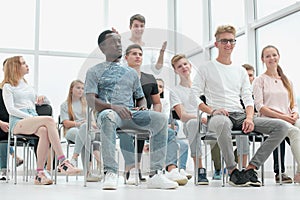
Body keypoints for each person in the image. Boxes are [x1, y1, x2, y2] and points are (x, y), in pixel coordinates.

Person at [189, 24, 300, 187]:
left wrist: (249, 117)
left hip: (240, 115)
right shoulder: (206, 68)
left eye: (231, 41)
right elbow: (194, 95)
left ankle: (250, 168)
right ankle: (233, 171)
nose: (228, 45)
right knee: (221, 123)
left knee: (282, 127)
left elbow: (248, 99)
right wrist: (211, 110)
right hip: (219, 115)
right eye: (224, 41)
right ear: (216, 43)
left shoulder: (239, 71)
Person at [84, 30, 178, 190]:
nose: (119, 45)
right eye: (114, 42)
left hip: (131, 113)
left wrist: (142, 105)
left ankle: (156, 174)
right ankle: (111, 172)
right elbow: (90, 99)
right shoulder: (94, 71)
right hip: (110, 113)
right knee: (108, 116)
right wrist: (113, 107)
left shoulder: (130, 72)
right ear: (102, 47)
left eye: (120, 41)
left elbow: (139, 96)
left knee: (160, 118)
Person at [2, 56, 81, 185]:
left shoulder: (28, 86)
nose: (27, 65)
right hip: (18, 121)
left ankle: (40, 174)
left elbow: (39, 103)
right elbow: (11, 110)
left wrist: (43, 99)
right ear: (15, 67)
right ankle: (63, 162)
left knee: (44, 131)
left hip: (32, 117)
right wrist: (33, 118)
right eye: (23, 63)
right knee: (49, 121)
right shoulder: (8, 87)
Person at [119, 44, 187, 186]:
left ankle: (164, 171)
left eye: (140, 54)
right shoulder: (119, 77)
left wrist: (155, 118)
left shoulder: (150, 78)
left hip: (145, 117)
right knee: (126, 130)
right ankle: (132, 169)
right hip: (124, 117)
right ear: (126, 58)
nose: (138, 56)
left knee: (168, 131)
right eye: (134, 54)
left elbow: (157, 102)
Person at [253, 45, 299, 183]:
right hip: (270, 119)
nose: (271, 58)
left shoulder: (287, 81)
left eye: (274, 55)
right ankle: (282, 172)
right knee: (294, 132)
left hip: (289, 117)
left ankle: (298, 173)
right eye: (268, 56)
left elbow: (293, 104)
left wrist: (295, 114)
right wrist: (283, 117)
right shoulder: (259, 80)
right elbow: (260, 106)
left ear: (279, 57)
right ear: (263, 59)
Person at [169, 54, 209, 185]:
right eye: (179, 66)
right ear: (175, 70)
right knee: (192, 123)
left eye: (185, 64)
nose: (183, 67)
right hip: (191, 123)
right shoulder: (175, 91)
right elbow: (183, 116)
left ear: (190, 66)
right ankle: (200, 168)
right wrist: (199, 118)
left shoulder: (202, 88)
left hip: (208, 121)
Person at [60, 79, 101, 182]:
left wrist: (86, 124)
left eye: (82, 88)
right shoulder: (65, 105)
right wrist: (79, 123)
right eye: (78, 88)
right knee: (83, 135)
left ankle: (74, 159)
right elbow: (65, 123)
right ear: (71, 90)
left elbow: (93, 124)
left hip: (87, 130)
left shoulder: (87, 105)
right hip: (71, 131)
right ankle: (88, 173)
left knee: (84, 133)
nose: (80, 90)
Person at [156, 78, 192, 180]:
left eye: (161, 86)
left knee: (183, 144)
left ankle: (181, 170)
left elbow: (170, 121)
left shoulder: (166, 102)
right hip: (155, 132)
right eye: (156, 86)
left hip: (167, 130)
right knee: (169, 132)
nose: (158, 88)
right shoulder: (146, 101)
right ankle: (171, 169)